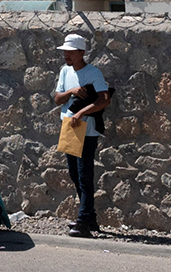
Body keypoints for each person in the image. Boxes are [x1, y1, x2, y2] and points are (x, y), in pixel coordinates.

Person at [53, 32, 111, 237]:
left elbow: (104, 100)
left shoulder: (93, 73)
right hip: (69, 127)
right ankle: (90, 218)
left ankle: (83, 221)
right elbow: (58, 98)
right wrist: (72, 92)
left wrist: (81, 112)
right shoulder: (64, 71)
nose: (66, 55)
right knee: (74, 174)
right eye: (65, 52)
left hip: (86, 130)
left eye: (70, 52)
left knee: (85, 175)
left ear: (81, 52)